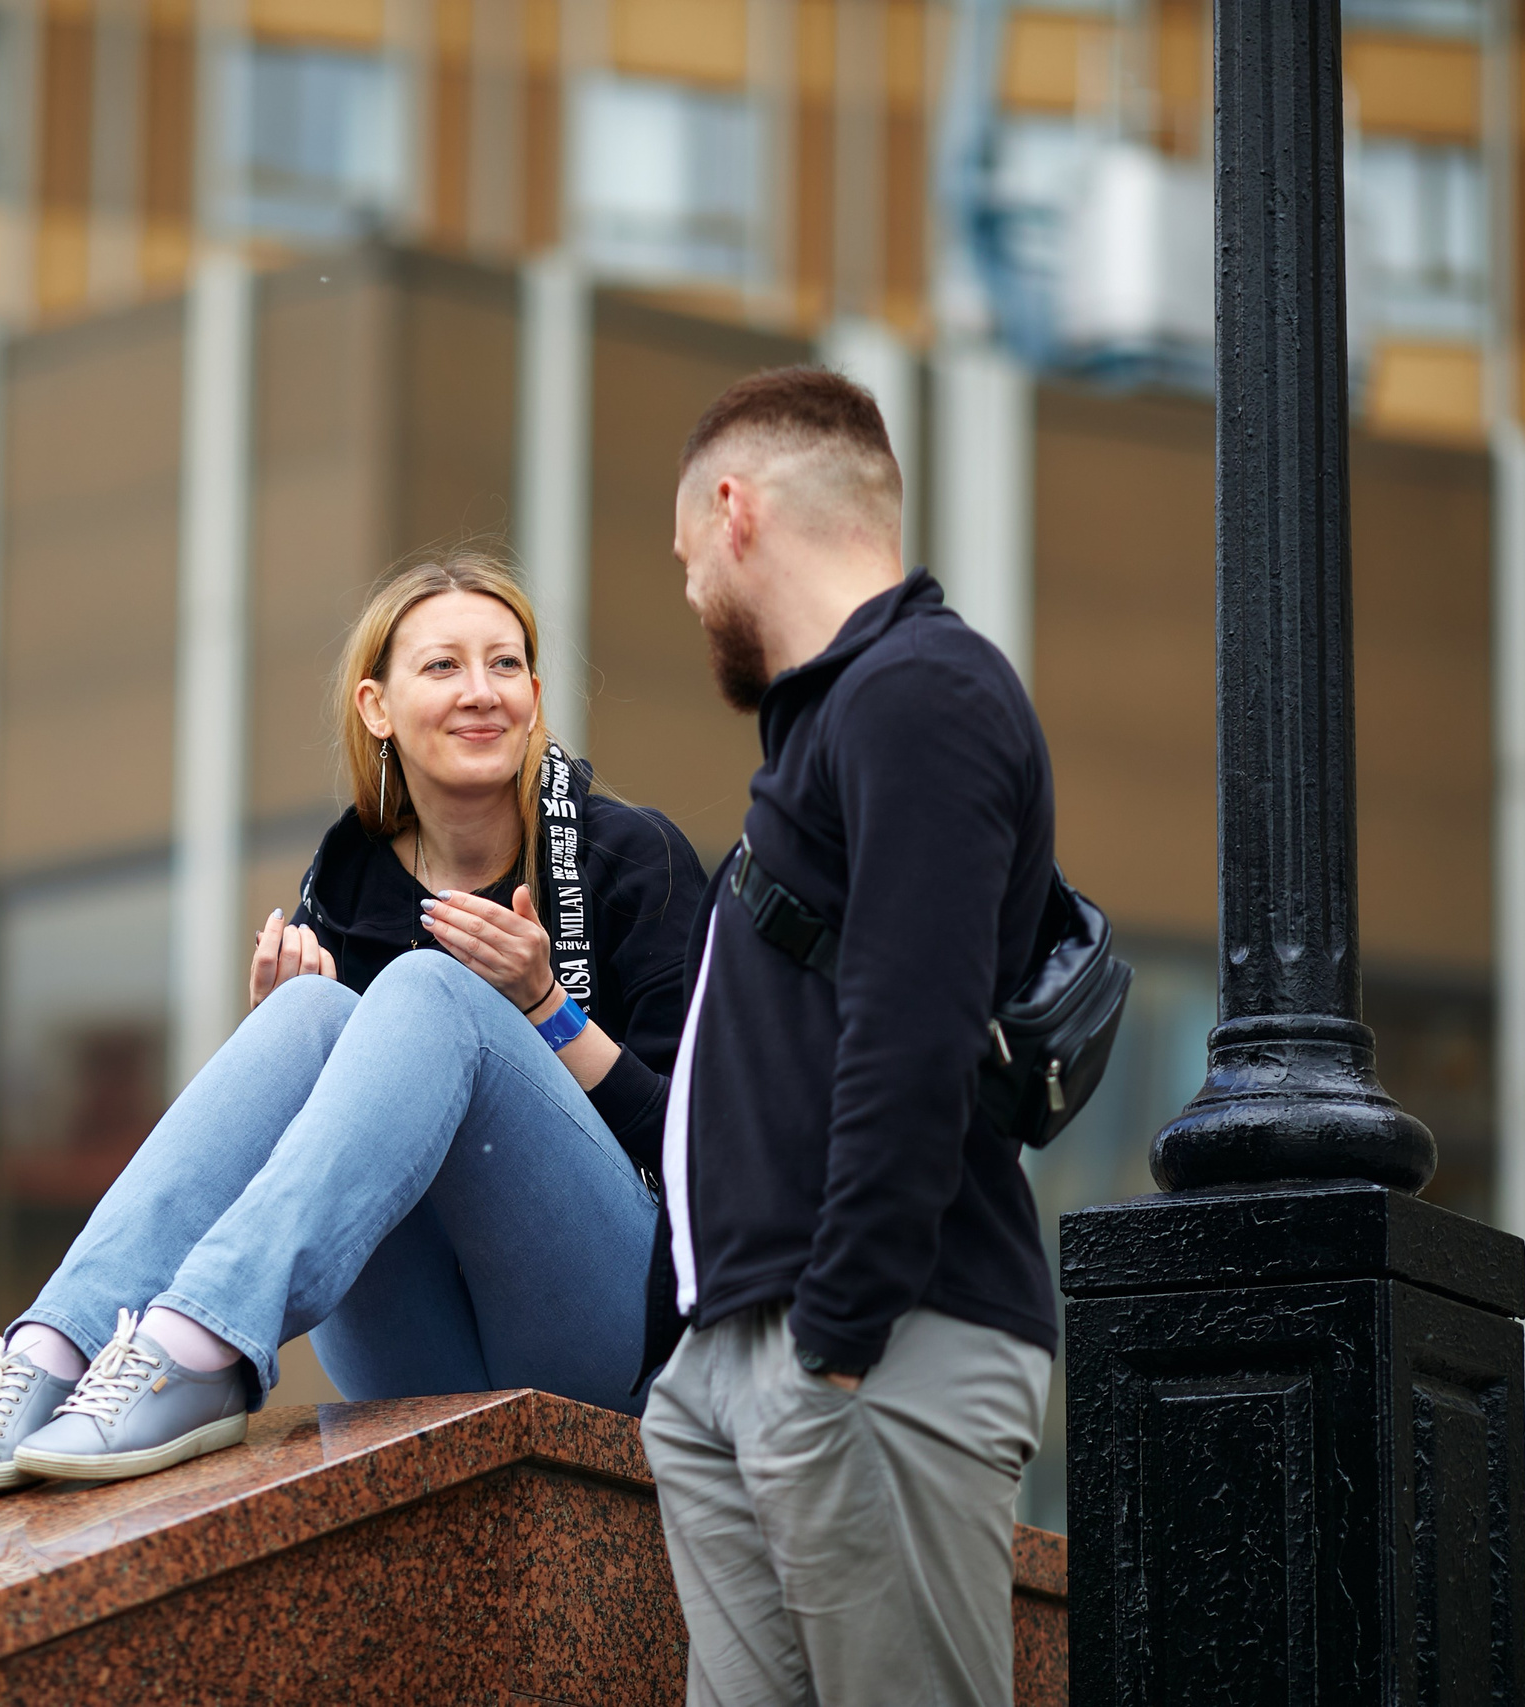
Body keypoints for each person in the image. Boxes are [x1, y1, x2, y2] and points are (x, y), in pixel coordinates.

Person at [0, 552, 708, 1498]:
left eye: (505, 665)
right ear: (377, 707)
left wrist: (547, 1010)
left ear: (535, 699)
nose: (481, 691)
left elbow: (705, 1156)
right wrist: (289, 1054)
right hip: (424, 1352)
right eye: (443, 665)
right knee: (305, 1012)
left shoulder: (632, 857)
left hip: (615, 1329)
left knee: (430, 987)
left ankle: (196, 1348)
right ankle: (53, 1348)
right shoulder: (347, 885)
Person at [638, 367, 1058, 1707]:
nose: (690, 588)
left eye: (687, 555)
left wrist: (831, 1341)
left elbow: (912, 1032)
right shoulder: (846, 715)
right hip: (753, 1354)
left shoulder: (919, 692)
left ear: (734, 509)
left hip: (877, 1343)